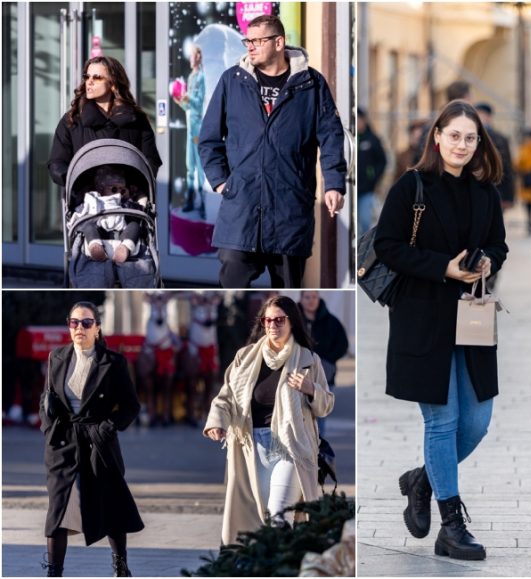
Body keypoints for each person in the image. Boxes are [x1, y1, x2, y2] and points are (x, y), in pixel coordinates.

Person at [375, 99, 507, 561]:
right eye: (454, 135)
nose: (462, 145)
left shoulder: (485, 191)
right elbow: (385, 245)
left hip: (471, 319)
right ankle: (452, 525)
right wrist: (441, 269)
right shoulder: (412, 186)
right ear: (437, 137)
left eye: (470, 138)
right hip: (422, 318)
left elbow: (499, 243)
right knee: (443, 420)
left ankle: (421, 481)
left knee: (476, 422)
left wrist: (488, 259)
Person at [199, 14, 346, 288]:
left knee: (288, 293)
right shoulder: (232, 80)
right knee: (231, 287)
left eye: (258, 40)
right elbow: (208, 138)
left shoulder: (311, 84)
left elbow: (331, 137)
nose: (250, 47)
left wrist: (334, 184)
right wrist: (221, 182)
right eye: (247, 41)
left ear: (279, 43)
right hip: (241, 207)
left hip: (289, 207)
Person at [203, 295, 335, 545]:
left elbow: (326, 405)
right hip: (252, 446)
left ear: (292, 323)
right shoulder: (245, 358)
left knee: (279, 514)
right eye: (268, 320)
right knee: (260, 519)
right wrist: (216, 422)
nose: (273, 325)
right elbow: (226, 396)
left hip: (291, 446)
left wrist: (311, 388)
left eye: (279, 320)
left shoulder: (308, 359)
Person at [40, 301, 143, 577]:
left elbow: (131, 406)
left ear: (97, 328)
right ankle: (53, 571)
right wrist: (50, 429)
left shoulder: (113, 362)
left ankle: (120, 566)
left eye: (86, 323)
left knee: (110, 506)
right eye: (74, 322)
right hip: (64, 444)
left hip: (99, 443)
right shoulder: (56, 357)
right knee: (58, 510)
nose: (79, 328)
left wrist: (107, 428)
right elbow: (47, 398)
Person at [48, 55, 161, 190]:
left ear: (113, 84)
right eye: (87, 77)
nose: (89, 82)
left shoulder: (137, 121)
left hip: (128, 201)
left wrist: (130, 186)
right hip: (86, 203)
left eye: (97, 77)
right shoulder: (71, 121)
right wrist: (80, 183)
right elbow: (57, 164)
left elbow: (150, 161)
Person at [68, 166, 147, 263]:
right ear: (101, 189)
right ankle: (95, 247)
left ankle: (125, 248)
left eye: (122, 190)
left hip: (122, 235)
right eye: (114, 189)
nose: (118, 193)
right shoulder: (94, 199)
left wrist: (127, 200)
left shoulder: (126, 202)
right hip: (99, 233)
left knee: (134, 226)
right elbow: (81, 214)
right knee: (88, 226)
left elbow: (138, 215)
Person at [299, 291, 349, 435]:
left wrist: (327, 360)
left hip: (325, 375)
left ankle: (319, 449)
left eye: (314, 297)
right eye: (307, 297)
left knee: (320, 413)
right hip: (299, 375)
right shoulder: (294, 321)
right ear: (301, 299)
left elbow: (342, 344)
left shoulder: (331, 321)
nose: (311, 301)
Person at [177, 44, 206, 213]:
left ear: (198, 57)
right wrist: (180, 101)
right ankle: (190, 200)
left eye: (193, 55)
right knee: (190, 167)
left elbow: (198, 102)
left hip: (197, 127)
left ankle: (202, 203)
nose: (190, 58)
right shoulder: (191, 76)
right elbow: (188, 106)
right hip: (190, 126)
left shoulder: (200, 77)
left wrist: (189, 98)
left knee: (199, 167)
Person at [475, 102, 515, 209]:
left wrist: (508, 197)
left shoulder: (500, 138)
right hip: (475, 190)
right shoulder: (470, 137)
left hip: (497, 190)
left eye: (482, 115)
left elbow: (507, 168)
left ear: (489, 117)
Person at [358, 107, 388, 236]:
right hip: (351, 187)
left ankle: (365, 253)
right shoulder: (350, 139)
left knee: (366, 222)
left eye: (359, 120)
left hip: (367, 190)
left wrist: (373, 177)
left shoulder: (372, 139)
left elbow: (382, 161)